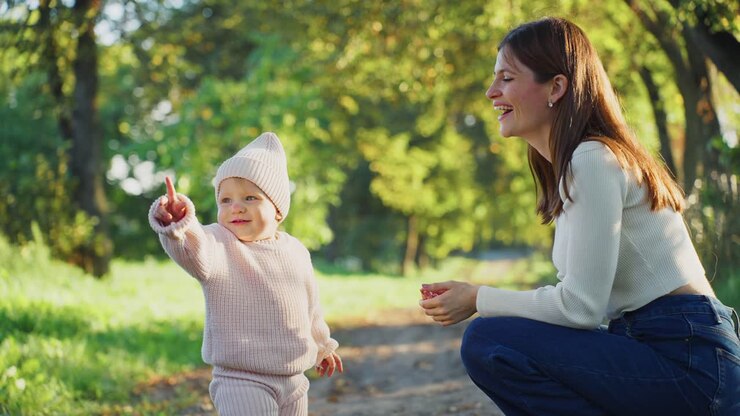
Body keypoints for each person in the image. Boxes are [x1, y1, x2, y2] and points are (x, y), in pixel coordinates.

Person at [419, 17, 739, 416]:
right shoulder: (576, 167)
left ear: (556, 87)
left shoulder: (593, 158)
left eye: (507, 77)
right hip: (665, 351)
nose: (491, 91)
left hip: (690, 362)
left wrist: (478, 297)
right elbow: (579, 310)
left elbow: (580, 309)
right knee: (497, 339)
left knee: (490, 339)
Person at [149, 132, 343, 416]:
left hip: (294, 379)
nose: (236, 207)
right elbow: (192, 249)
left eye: (250, 197)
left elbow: (310, 307)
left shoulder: (296, 251)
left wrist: (323, 345)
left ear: (278, 209)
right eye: (225, 200)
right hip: (241, 380)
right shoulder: (218, 243)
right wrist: (178, 225)